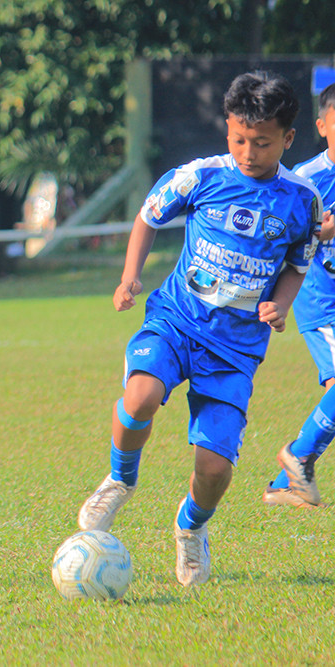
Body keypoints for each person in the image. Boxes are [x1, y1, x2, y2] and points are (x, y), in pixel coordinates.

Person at [76, 71, 324, 587]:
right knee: (140, 397)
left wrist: (280, 305)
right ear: (227, 129)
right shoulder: (201, 176)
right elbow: (148, 216)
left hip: (235, 350)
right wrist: (129, 278)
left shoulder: (301, 200)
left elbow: (299, 262)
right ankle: (120, 480)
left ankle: (190, 530)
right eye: (238, 139)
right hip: (175, 320)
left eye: (262, 143)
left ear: (288, 139)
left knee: (214, 470)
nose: (248, 153)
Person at [262, 82, 335, 507]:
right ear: (322, 126)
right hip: (321, 300)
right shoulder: (305, 182)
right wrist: (318, 232)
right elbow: (277, 235)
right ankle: (298, 456)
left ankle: (284, 483)